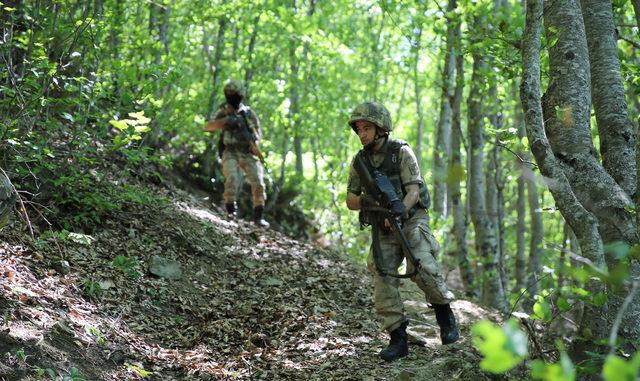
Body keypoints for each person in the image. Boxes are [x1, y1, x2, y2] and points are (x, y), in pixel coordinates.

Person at [345, 101, 460, 362]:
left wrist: (398, 211)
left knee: (424, 266)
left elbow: (413, 191)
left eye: (367, 128)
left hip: (410, 218)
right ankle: (398, 338)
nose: (362, 133)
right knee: (382, 273)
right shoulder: (360, 162)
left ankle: (445, 315)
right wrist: (372, 204)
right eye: (358, 129)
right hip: (381, 225)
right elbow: (350, 199)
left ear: (381, 129)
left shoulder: (401, 152)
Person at [204, 79, 269, 228]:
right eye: (228, 94)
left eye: (234, 94)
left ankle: (259, 217)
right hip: (230, 151)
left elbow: (258, 134)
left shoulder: (248, 114)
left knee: (258, 183)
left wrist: (254, 144)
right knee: (232, 178)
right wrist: (227, 121)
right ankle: (230, 211)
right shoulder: (223, 111)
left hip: (247, 151)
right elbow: (208, 126)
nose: (231, 96)